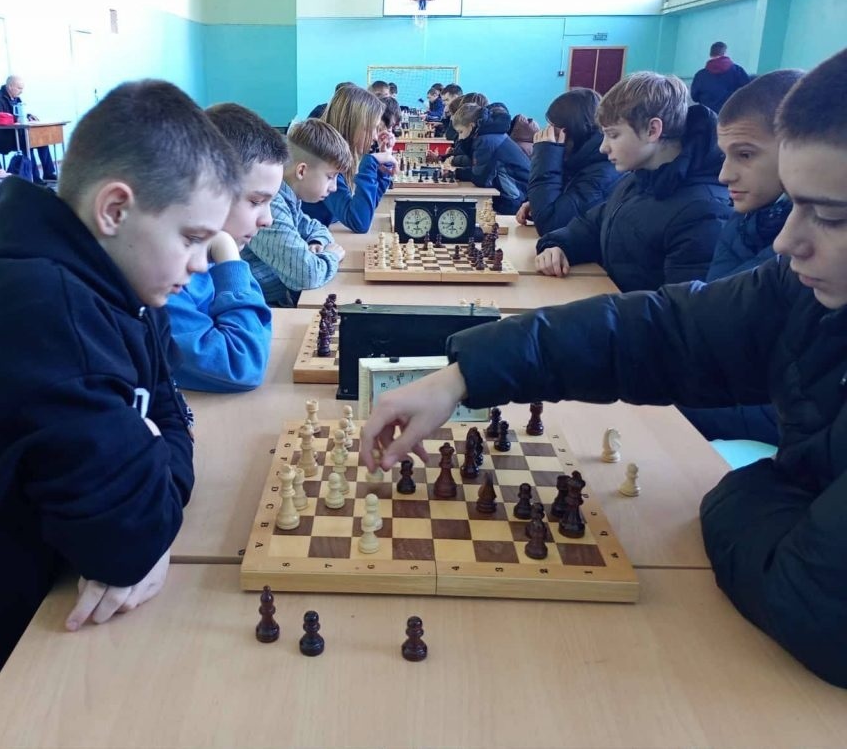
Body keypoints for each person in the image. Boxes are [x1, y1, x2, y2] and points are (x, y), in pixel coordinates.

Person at [360, 47, 847, 690]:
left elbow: (812, 602)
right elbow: (664, 330)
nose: (787, 240)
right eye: (797, 204)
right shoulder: (803, 289)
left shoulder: (711, 217)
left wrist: (748, 488)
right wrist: (462, 376)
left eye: (830, 216)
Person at [0, 80, 241, 748]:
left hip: (47, 605)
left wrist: (150, 457)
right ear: (115, 208)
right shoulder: (37, 310)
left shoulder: (124, 285)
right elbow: (130, 539)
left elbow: (174, 418)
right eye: (191, 238)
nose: (197, 266)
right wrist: (147, 494)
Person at [678, 69, 804, 445]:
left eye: (745, 155)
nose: (724, 175)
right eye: (725, 156)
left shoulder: (807, 243)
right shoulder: (744, 218)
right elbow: (713, 319)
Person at [535, 72, 730, 292]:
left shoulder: (703, 211)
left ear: (652, 130)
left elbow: (680, 307)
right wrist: (558, 246)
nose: (603, 147)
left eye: (613, 135)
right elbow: (591, 227)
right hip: (614, 305)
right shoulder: (638, 179)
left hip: (627, 312)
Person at [165, 103, 286, 392]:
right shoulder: (163, 277)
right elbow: (242, 363)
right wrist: (230, 260)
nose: (268, 219)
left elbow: (257, 331)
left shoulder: (208, 259)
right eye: (256, 202)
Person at [242, 118, 351, 307]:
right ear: (301, 171)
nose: (334, 187)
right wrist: (331, 256)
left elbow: (316, 227)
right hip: (261, 304)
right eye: (330, 177)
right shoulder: (272, 205)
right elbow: (306, 275)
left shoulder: (289, 198)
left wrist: (317, 242)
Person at [516, 87, 624, 235]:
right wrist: (535, 205)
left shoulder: (603, 173)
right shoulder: (580, 160)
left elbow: (550, 225)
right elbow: (564, 209)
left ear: (570, 132)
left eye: (554, 129)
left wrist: (546, 154)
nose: (548, 135)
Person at [301, 85, 397, 233]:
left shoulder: (342, 154)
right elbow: (359, 222)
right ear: (350, 125)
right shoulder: (325, 158)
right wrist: (370, 163)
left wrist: (382, 170)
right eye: (370, 128)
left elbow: (367, 209)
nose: (375, 136)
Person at [452, 103, 531, 215]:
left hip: (514, 198)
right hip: (520, 193)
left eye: (461, 132)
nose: (460, 137)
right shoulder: (490, 134)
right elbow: (478, 167)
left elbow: (480, 178)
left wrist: (456, 174)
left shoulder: (486, 141)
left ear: (471, 126)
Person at [0, 75, 58, 184]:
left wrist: (28, 116)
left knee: (41, 141)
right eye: (19, 88)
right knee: (27, 143)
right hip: (2, 137)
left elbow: (20, 114)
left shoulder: (17, 98)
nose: (21, 91)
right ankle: (35, 177)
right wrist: (17, 118)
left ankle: (48, 173)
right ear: (10, 86)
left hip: (16, 134)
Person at [691, 41, 751, 115]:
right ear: (725, 53)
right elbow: (748, 93)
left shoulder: (700, 75)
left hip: (707, 116)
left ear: (710, 54)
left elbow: (694, 97)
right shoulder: (738, 71)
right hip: (731, 116)